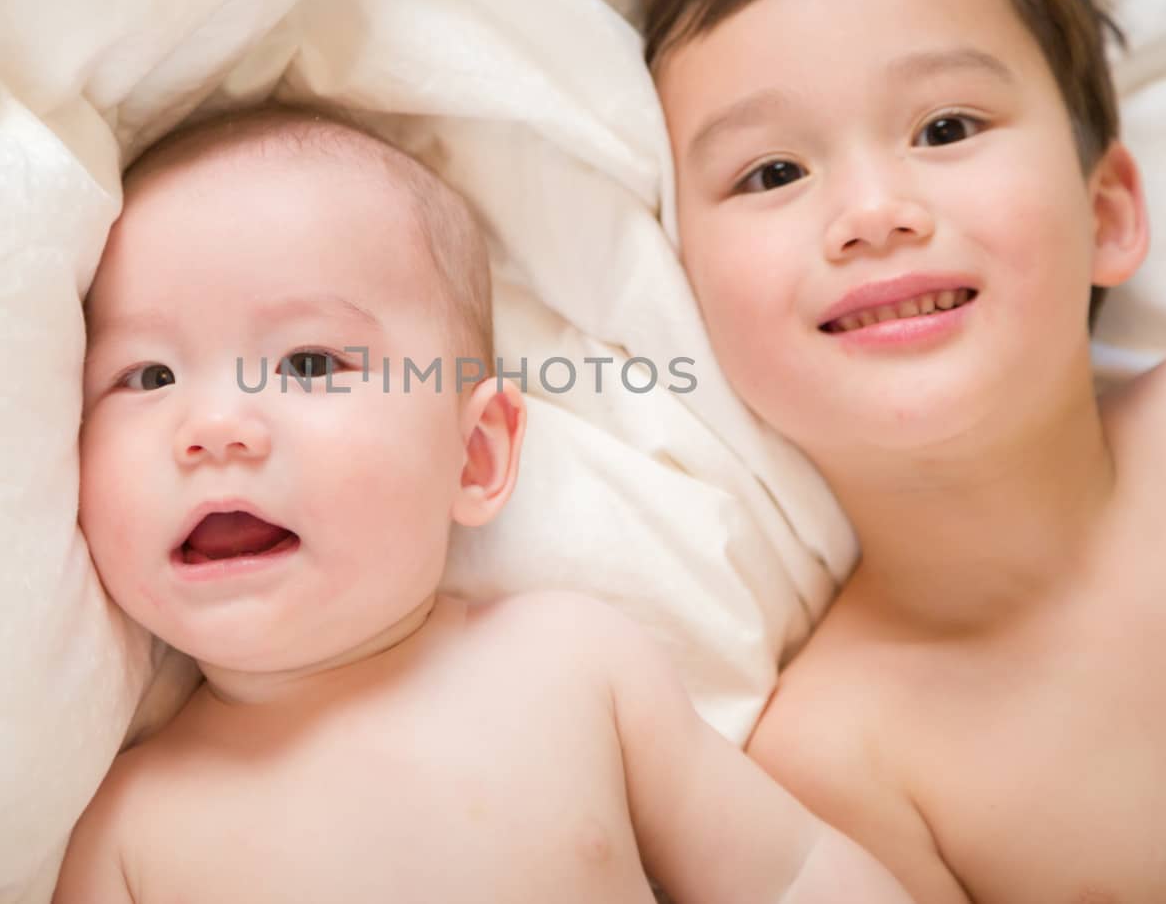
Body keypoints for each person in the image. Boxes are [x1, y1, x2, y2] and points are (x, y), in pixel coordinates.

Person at [54, 107, 913, 903]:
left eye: (309, 364)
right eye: (149, 377)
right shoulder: (130, 830)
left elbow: (793, 872)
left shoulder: (572, 663)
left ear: (474, 455)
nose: (212, 428)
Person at [647, 0, 1166, 903]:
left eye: (945, 127)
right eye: (773, 172)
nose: (873, 210)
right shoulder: (833, 766)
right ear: (687, 298)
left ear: (1107, 214)